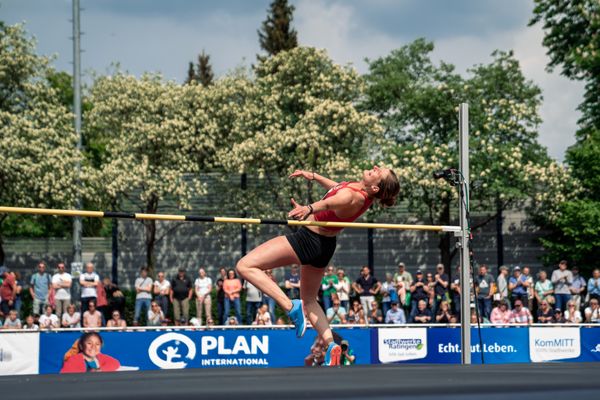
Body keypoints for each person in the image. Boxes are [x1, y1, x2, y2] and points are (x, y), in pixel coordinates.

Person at [235, 166, 399, 366]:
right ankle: (331, 345)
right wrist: (313, 177)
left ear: (375, 188)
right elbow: (337, 188)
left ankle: (289, 306)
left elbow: (334, 200)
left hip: (309, 240)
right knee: (310, 300)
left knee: (245, 266)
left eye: (378, 172)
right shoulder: (358, 193)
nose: (374, 168)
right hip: (324, 246)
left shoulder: (352, 197)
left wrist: (309, 208)